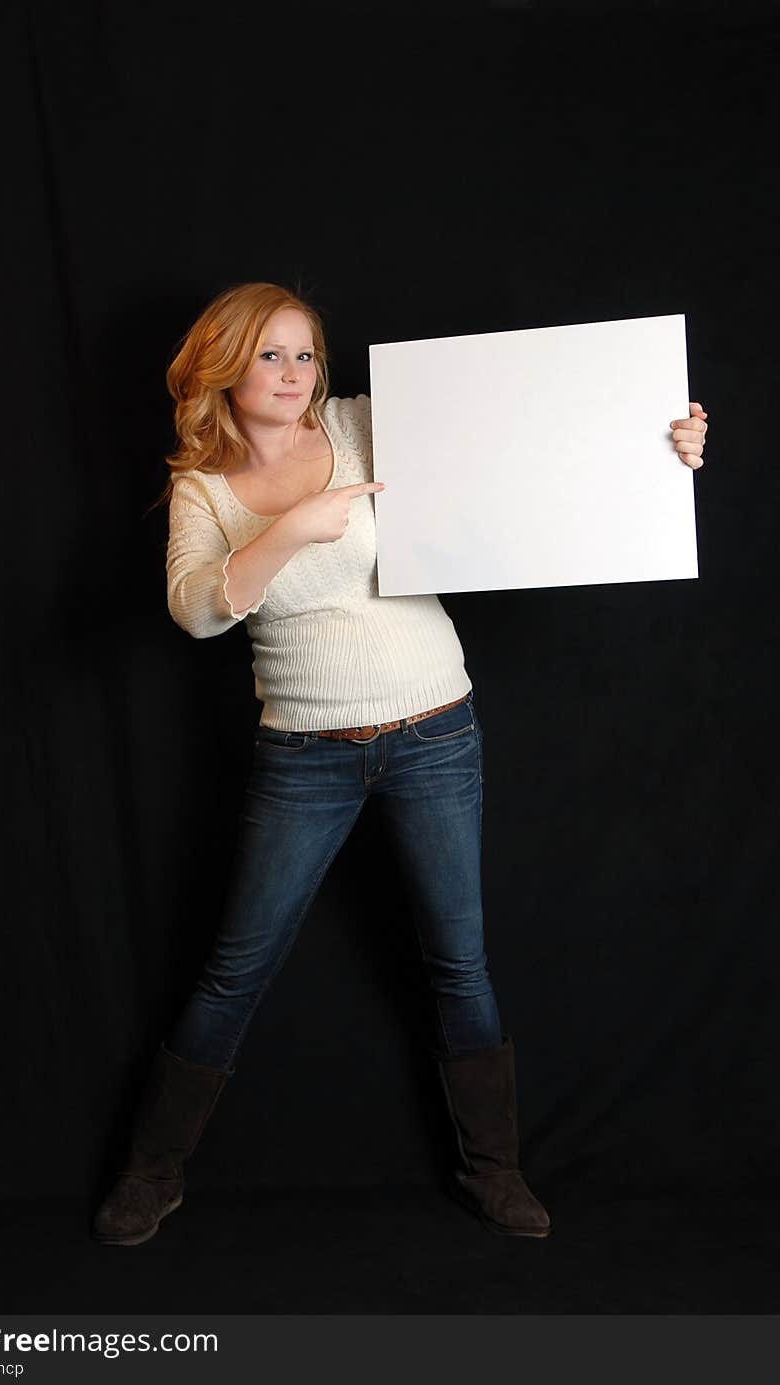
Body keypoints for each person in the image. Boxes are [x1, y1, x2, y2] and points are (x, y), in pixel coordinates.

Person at [91, 282, 709, 1247]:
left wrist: (657, 443)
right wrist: (289, 529)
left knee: (459, 962)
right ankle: (151, 1171)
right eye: (269, 355)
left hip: (435, 733)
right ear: (222, 364)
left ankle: (494, 1171)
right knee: (233, 970)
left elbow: (526, 444)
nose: (294, 374)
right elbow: (198, 609)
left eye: (304, 355)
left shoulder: (369, 424)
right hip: (303, 754)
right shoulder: (203, 486)